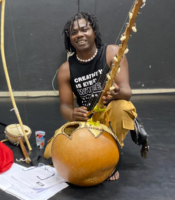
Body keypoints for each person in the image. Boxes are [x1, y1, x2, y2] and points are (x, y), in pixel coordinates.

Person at [55, 12, 137, 181]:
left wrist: (117, 94)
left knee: (122, 107)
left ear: (94, 31)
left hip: (109, 116)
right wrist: (72, 114)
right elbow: (65, 105)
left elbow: (127, 92)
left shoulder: (112, 52)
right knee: (54, 151)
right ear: (69, 39)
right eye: (74, 33)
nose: (80, 35)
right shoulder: (65, 70)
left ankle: (111, 159)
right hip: (86, 122)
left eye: (85, 29)